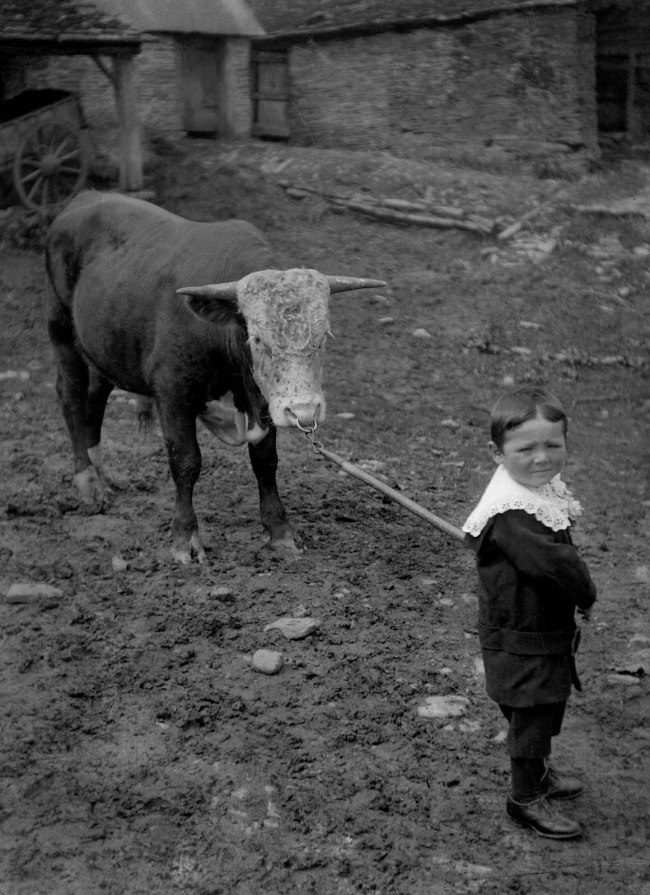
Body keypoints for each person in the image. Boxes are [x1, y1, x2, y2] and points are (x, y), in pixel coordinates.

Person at [463, 387, 597, 840]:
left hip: (536, 627)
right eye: (526, 449)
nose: (542, 458)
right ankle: (524, 798)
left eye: (553, 445)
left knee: (543, 705)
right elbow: (558, 565)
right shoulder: (513, 514)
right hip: (521, 635)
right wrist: (586, 593)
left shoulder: (530, 490)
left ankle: (538, 774)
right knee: (531, 712)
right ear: (497, 453)